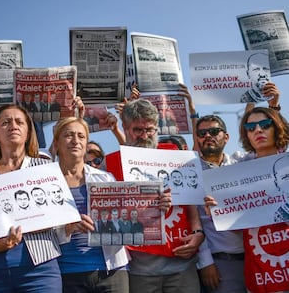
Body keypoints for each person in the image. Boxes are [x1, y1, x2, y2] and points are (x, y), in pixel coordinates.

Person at [0, 103, 66, 292]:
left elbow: (56, 214)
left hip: (39, 271)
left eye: (19, 122)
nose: (13, 126)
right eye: (6, 122)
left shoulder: (44, 166)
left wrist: (20, 229)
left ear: (27, 132)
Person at [107, 98, 204, 293]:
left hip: (182, 264)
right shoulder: (110, 164)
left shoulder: (173, 153)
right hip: (139, 269)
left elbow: (190, 200)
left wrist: (197, 233)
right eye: (138, 130)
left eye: (150, 129)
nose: (145, 136)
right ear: (125, 128)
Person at [205, 107, 289, 293]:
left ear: (277, 127)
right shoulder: (238, 172)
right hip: (262, 272)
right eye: (251, 127)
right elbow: (237, 229)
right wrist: (218, 214)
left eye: (265, 125)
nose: (258, 130)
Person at [53, 116, 130, 293]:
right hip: (66, 272)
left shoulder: (105, 178)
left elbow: (124, 220)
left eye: (81, 136)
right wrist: (67, 228)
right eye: (68, 135)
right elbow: (39, 227)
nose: (75, 141)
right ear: (56, 143)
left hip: (111, 271)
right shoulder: (46, 181)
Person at [192, 114, 245, 293]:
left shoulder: (243, 162)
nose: (208, 136)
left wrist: (273, 106)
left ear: (226, 137)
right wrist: (205, 262)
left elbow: (274, 149)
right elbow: (194, 221)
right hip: (222, 264)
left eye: (214, 131)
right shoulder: (190, 173)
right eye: (202, 133)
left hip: (259, 257)